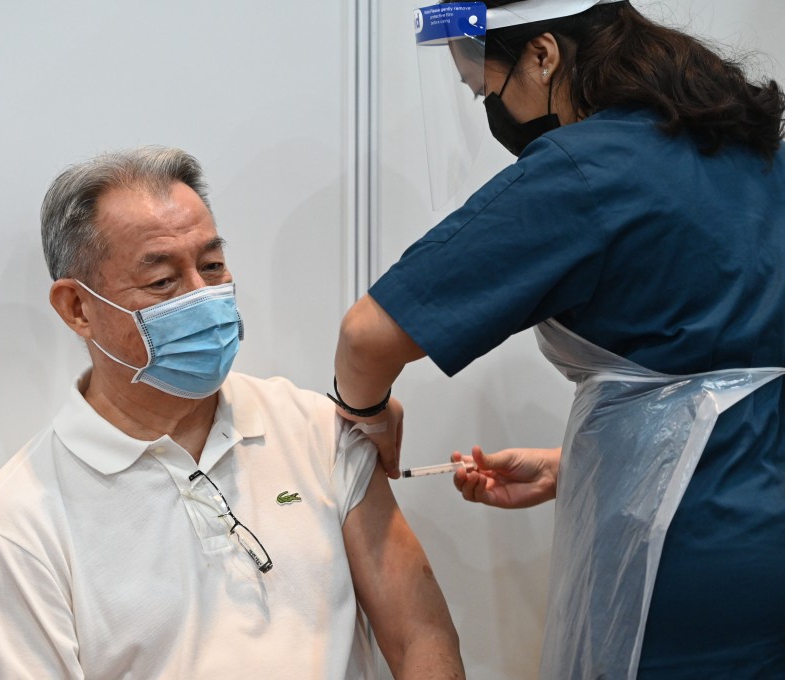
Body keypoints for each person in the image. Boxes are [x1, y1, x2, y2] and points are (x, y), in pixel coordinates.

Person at [331, 1, 785, 678]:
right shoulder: (749, 152)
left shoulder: (586, 170)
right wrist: (576, 465)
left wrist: (368, 414)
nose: (493, 109)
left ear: (543, 55)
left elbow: (368, 334)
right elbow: (720, 371)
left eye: (489, 88)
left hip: (690, 551)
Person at [0, 146, 465, 679]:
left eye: (211, 265)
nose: (205, 297)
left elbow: (420, 636)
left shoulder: (316, 429)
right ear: (77, 308)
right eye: (162, 282)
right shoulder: (27, 518)